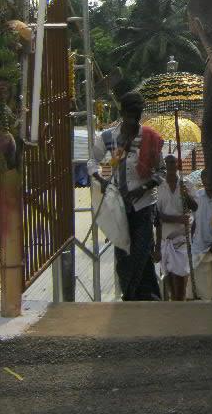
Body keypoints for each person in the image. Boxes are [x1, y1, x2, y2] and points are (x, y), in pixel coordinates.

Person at [88, 91, 165, 301]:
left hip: (143, 204)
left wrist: (143, 188)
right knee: (123, 252)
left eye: (137, 115)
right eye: (130, 115)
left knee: (141, 251)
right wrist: (100, 179)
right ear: (122, 113)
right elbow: (92, 161)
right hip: (118, 205)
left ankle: (144, 296)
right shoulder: (108, 137)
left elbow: (161, 172)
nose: (134, 119)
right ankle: (131, 295)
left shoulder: (150, 137)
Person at [156, 154, 198, 300]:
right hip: (165, 240)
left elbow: (195, 207)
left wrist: (186, 194)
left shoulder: (187, 184)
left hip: (182, 240)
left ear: (177, 164)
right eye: (167, 163)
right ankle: (174, 312)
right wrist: (176, 219)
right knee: (171, 286)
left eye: (173, 162)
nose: (170, 166)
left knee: (180, 283)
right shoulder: (160, 187)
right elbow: (157, 216)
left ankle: (181, 310)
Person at [186, 168, 212, 300]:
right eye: (205, 183)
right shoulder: (198, 197)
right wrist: (192, 242)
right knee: (200, 288)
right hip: (200, 247)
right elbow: (194, 222)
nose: (208, 186)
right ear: (202, 181)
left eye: (211, 182)